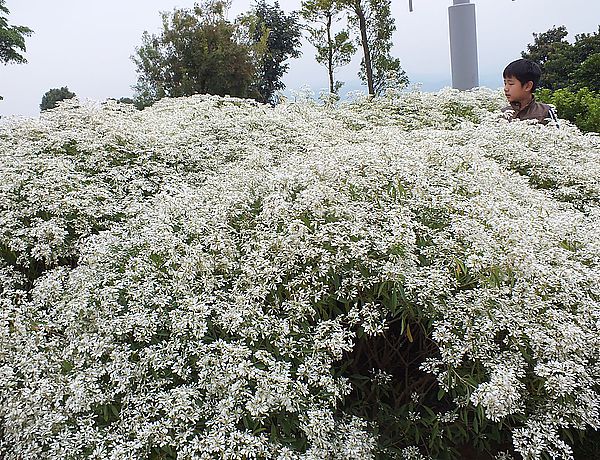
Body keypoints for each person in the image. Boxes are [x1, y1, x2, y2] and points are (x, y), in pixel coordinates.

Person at [502, 58, 558, 125]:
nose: (506, 88)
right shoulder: (503, 113)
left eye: (511, 84)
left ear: (528, 86)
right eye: (505, 83)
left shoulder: (545, 112)